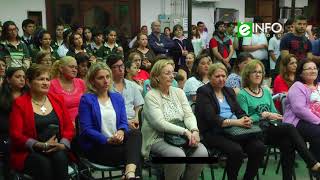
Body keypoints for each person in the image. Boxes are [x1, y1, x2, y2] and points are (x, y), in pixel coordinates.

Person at [237, 60, 320, 180]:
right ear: (247, 75)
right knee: (289, 127)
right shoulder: (242, 94)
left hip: (271, 127)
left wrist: (274, 115)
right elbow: (244, 119)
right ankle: (313, 163)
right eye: (254, 72)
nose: (258, 74)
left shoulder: (265, 91)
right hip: (256, 130)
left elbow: (274, 112)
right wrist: (262, 115)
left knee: (288, 142)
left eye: (260, 72)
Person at [195, 63, 265, 180]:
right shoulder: (203, 92)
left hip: (235, 130)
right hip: (214, 132)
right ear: (210, 76)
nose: (221, 79)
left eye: (223, 76)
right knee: (236, 151)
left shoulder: (228, 91)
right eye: (217, 76)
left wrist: (245, 118)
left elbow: (239, 111)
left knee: (259, 147)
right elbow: (212, 118)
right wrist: (237, 122)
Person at [141, 59, 208, 180]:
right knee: (178, 155)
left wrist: (194, 130)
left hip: (181, 137)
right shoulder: (151, 96)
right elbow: (159, 124)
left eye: (173, 73)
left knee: (202, 153)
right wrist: (185, 132)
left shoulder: (179, 92)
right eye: (167, 73)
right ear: (156, 76)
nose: (172, 76)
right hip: (158, 137)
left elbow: (188, 115)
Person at [9, 64, 74, 180]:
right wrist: (39, 145)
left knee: (60, 157)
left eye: (48, 79)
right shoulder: (20, 103)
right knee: (43, 163)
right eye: (40, 79)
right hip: (30, 151)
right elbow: (16, 135)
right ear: (29, 82)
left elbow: (69, 127)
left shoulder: (58, 99)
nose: (45, 83)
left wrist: (63, 144)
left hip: (57, 147)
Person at [78, 62, 142, 179]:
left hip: (118, 142)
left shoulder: (117, 97)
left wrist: (121, 131)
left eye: (107, 77)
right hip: (98, 146)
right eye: (101, 78)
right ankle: (131, 174)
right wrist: (107, 140)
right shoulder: (86, 99)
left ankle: (130, 173)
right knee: (135, 155)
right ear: (92, 81)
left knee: (135, 133)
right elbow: (87, 129)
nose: (106, 81)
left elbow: (123, 122)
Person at [284, 60, 320, 162]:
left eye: (314, 68)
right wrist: (318, 121)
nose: (313, 71)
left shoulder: (319, 86)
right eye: (309, 68)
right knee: (318, 132)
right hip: (296, 121)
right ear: (301, 73)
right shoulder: (298, 86)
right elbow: (299, 109)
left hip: (313, 121)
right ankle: (316, 165)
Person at [0, 67, 26, 179]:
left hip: (27, 132)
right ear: (8, 79)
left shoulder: (29, 95)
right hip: (7, 134)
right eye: (18, 76)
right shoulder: (2, 97)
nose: (22, 79)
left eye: (24, 77)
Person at [107, 54, 144, 130]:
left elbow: (139, 106)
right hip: (114, 124)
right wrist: (126, 122)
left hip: (134, 122)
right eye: (116, 67)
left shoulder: (132, 85)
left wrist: (136, 119)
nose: (121, 69)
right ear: (109, 69)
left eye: (122, 66)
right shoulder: (106, 87)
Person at [49, 56, 86, 123]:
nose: (74, 70)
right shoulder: (52, 85)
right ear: (61, 68)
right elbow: (52, 110)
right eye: (71, 67)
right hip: (63, 124)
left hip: (83, 122)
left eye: (76, 68)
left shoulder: (81, 82)